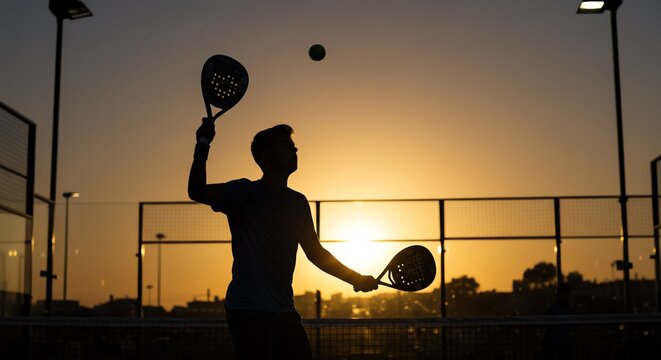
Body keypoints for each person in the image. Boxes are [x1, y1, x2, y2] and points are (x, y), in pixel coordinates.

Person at [188, 120, 379, 359]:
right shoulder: (241, 192)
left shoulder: (297, 202)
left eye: (294, 145)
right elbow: (196, 191)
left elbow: (315, 252)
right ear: (266, 156)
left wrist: (356, 278)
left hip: (284, 310)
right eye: (286, 146)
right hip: (248, 310)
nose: (295, 150)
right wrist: (202, 143)